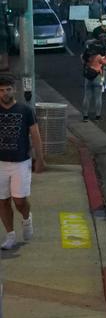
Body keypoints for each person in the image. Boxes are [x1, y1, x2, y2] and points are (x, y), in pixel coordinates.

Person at [0, 75, 42, 250]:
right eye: (1, 90)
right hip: (0, 163)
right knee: (2, 201)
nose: (5, 93)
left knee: (19, 201)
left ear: (14, 89)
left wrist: (40, 158)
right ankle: (10, 235)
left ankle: (26, 219)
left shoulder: (25, 110)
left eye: (8, 89)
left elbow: (35, 135)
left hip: (20, 162)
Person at [81, 41, 106, 121]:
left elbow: (83, 63)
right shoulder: (98, 56)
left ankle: (85, 116)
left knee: (87, 96)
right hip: (97, 76)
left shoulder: (83, 56)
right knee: (98, 97)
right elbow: (105, 63)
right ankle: (98, 116)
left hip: (88, 77)